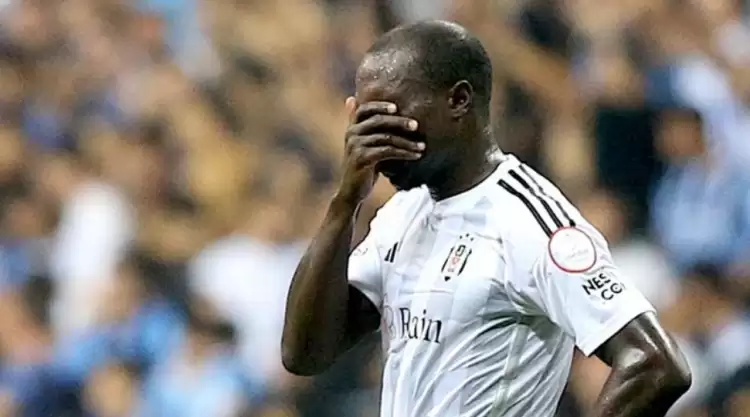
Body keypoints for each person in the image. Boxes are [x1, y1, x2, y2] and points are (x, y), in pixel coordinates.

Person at [281, 20, 691, 417]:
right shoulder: (402, 213)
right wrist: (344, 202)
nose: (373, 140)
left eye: (387, 116)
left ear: (459, 100)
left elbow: (656, 364)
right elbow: (304, 353)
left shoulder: (528, 221)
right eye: (364, 121)